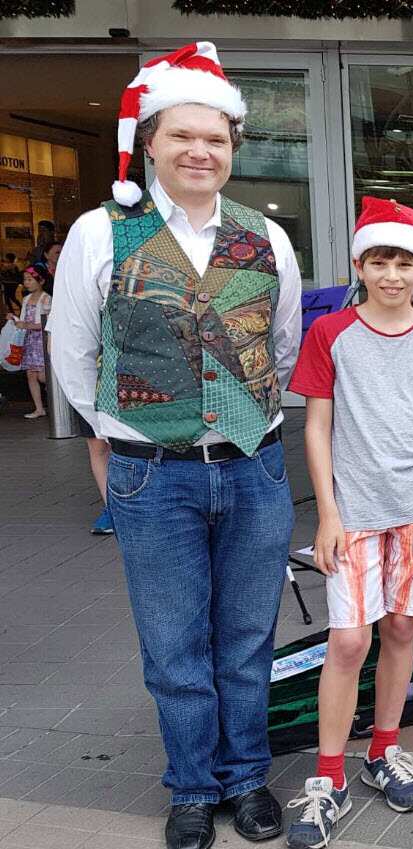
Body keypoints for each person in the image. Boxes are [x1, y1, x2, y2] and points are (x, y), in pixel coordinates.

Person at [47, 42, 302, 849]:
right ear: (150, 141)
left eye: (218, 138)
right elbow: (73, 354)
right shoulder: (101, 231)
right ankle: (192, 784)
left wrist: (237, 411)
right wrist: (127, 433)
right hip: (152, 476)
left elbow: (283, 346)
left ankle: (248, 777)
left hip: (254, 466)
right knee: (173, 645)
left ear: (233, 149)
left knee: (248, 638)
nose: (202, 150)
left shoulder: (266, 237)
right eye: (184, 135)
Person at [285, 197, 413, 848]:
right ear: (359, 265)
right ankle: (328, 773)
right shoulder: (330, 335)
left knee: (400, 630)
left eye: (403, 262)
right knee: (346, 641)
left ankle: (383, 749)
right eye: (379, 261)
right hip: (355, 513)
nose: (391, 274)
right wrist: (327, 513)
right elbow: (316, 425)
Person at [8, 264, 51, 419]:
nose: (26, 283)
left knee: (43, 375)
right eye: (25, 280)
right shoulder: (25, 299)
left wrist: (27, 325)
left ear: (41, 281)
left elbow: (47, 323)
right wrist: (14, 319)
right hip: (29, 340)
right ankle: (39, 408)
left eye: (30, 279)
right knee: (31, 374)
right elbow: (24, 320)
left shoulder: (46, 298)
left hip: (42, 340)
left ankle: (54, 396)